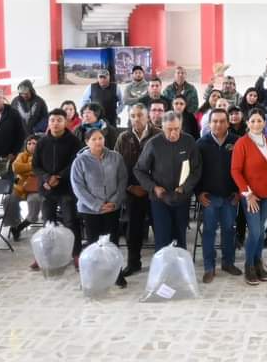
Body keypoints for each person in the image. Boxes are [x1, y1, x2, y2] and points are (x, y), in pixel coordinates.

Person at [135, 110, 202, 250]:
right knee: (162, 237)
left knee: (180, 236)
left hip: (182, 197)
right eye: (169, 129)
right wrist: (153, 187)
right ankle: (162, 269)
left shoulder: (189, 141)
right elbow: (139, 170)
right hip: (160, 198)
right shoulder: (153, 143)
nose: (173, 133)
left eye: (177, 129)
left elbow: (196, 170)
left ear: (181, 126)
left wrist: (184, 187)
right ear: (162, 127)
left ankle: (180, 268)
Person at [71, 128, 128, 287]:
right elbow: (78, 187)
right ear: (87, 142)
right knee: (93, 244)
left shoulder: (116, 157)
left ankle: (116, 274)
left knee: (112, 242)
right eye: (94, 139)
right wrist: (96, 205)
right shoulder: (80, 161)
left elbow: (122, 180)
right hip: (90, 210)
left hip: (112, 207)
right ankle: (93, 276)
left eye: (100, 138)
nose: (98, 142)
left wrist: (114, 202)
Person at [230, 108, 267, 285]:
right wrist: (247, 193)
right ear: (248, 123)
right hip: (250, 195)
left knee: (261, 231)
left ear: (265, 123)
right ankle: (249, 266)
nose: (256, 124)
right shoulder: (242, 143)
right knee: (255, 231)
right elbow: (235, 171)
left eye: (259, 121)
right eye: (253, 121)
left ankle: (258, 264)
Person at [33, 109, 84, 267]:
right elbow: (36, 166)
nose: (55, 123)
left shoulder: (74, 141)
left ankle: (76, 253)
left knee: (71, 221)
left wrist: (58, 177)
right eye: (52, 120)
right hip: (47, 188)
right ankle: (46, 256)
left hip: (66, 189)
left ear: (66, 122)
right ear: (49, 122)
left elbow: (75, 163)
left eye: (59, 120)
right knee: (48, 223)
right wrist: (47, 178)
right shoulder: (42, 142)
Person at [195, 108, 242, 283]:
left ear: (228, 123)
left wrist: (239, 191)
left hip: (230, 197)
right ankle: (209, 267)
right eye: (215, 121)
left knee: (229, 230)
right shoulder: (201, 144)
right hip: (209, 198)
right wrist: (198, 193)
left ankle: (228, 263)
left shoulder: (237, 142)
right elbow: (195, 171)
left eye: (222, 121)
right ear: (209, 123)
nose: (218, 124)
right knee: (208, 232)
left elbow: (242, 169)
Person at [114, 104, 159, 276]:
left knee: (160, 229)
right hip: (132, 191)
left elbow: (163, 166)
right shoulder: (123, 137)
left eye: (140, 115)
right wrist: (129, 187)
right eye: (132, 115)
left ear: (147, 117)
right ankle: (133, 263)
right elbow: (118, 167)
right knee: (133, 230)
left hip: (154, 191)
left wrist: (149, 187)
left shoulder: (158, 135)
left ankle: (163, 263)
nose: (136, 119)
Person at [5, 134, 42, 241]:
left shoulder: (44, 155)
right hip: (20, 188)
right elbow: (16, 168)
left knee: (35, 200)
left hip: (35, 188)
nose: (31, 145)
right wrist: (32, 166)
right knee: (8, 200)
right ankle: (14, 225)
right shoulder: (21, 155)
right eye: (29, 143)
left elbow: (41, 170)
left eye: (34, 143)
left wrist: (25, 170)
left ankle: (22, 226)